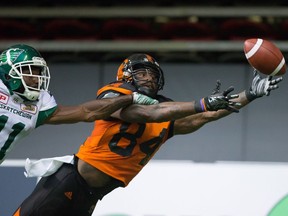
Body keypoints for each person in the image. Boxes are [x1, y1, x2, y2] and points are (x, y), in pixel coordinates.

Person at [13, 53, 282, 216]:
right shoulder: (115, 94)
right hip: (68, 182)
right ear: (126, 76)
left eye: (152, 74)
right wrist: (202, 102)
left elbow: (204, 116)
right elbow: (142, 114)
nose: (149, 78)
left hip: (93, 195)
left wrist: (251, 94)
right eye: (141, 73)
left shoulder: (166, 109)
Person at [0, 45, 158, 164]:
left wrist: (130, 98)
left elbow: (86, 112)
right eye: (29, 72)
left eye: (38, 72)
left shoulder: (40, 102)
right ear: (9, 73)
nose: (36, 79)